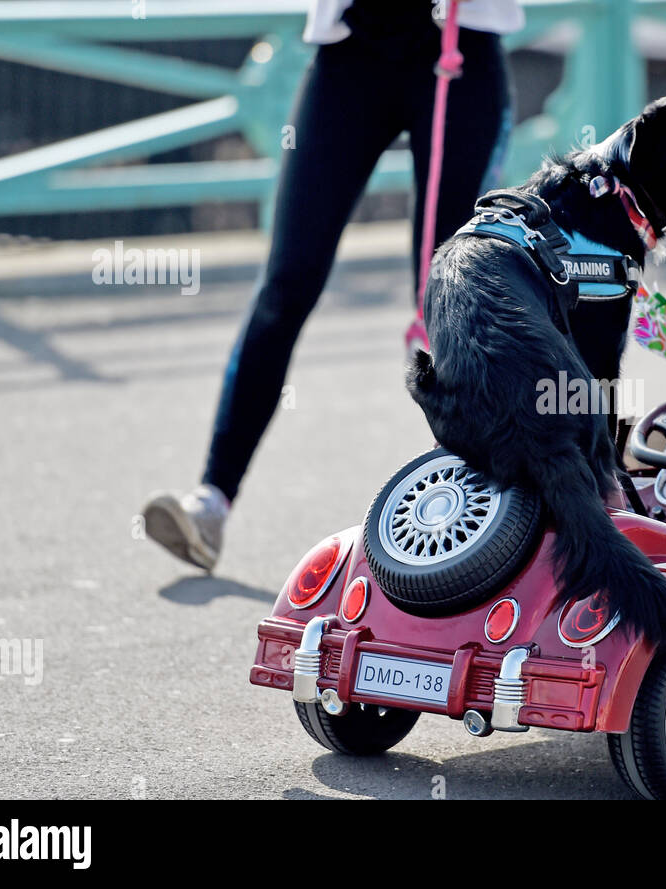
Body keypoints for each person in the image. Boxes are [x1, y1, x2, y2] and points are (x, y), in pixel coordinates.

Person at [141, 0, 519, 571]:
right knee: (288, 281)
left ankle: (485, 521)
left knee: (451, 295)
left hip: (460, 51)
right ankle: (211, 503)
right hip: (350, 53)